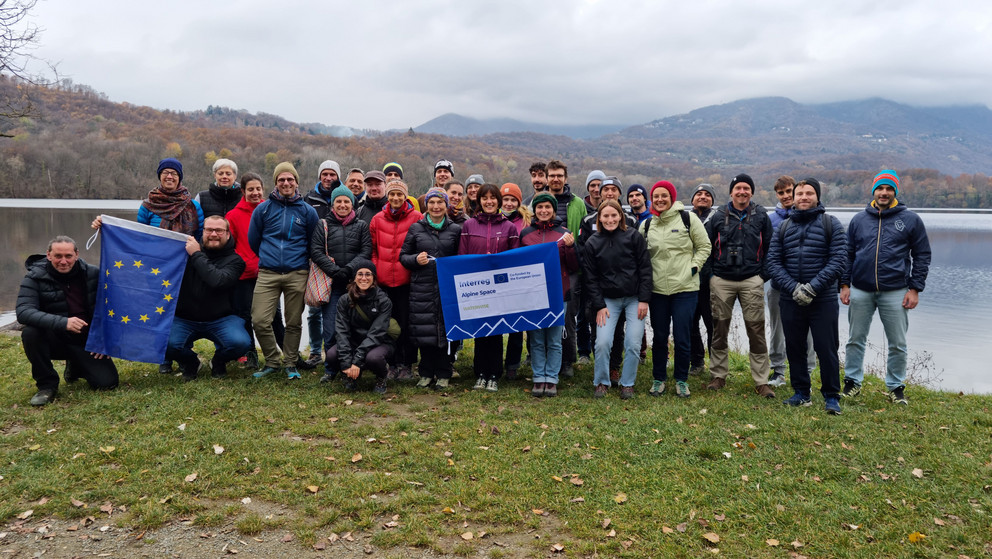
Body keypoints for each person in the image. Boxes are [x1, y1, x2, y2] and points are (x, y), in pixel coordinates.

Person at [93, 157, 204, 376]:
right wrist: (104, 225)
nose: (169, 176)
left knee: (180, 311)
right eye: (165, 173)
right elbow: (139, 237)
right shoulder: (147, 205)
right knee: (157, 312)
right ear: (159, 176)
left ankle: (183, 353)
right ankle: (164, 357)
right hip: (155, 270)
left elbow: (198, 236)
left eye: (174, 173)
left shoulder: (193, 206)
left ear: (180, 177)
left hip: (183, 268)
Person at [840, 170, 931, 404]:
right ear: (873, 191)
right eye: (880, 188)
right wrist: (844, 284)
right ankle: (852, 383)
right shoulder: (859, 220)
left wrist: (915, 288)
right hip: (860, 289)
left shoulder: (910, 220)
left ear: (895, 192)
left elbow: (922, 255)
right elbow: (847, 254)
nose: (884, 192)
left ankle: (895, 387)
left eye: (889, 189)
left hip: (896, 290)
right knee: (855, 339)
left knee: (898, 343)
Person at [766, 178, 848, 414]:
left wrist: (812, 288)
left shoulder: (831, 224)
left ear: (817, 197)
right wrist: (793, 288)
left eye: (808, 193)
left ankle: (832, 396)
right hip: (790, 298)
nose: (803, 197)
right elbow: (773, 262)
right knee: (794, 346)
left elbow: (838, 260)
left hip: (822, 299)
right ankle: (802, 392)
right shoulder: (783, 227)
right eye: (799, 193)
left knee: (826, 348)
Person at [16, 236, 119, 406]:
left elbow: (112, 308)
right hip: (54, 339)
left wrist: (104, 339)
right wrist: (64, 322)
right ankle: (46, 386)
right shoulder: (34, 277)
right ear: (49, 255)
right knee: (30, 332)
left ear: (76, 255)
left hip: (86, 340)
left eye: (68, 256)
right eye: (58, 256)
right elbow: (23, 312)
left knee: (107, 384)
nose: (63, 261)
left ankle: (75, 366)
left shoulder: (93, 273)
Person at [705, 173, 776, 398]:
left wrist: (762, 276)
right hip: (721, 280)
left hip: (751, 280)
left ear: (751, 192)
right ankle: (718, 375)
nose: (742, 192)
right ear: (731, 192)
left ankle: (761, 380)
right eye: (738, 188)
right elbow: (705, 248)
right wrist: (711, 276)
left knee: (756, 331)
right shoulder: (717, 216)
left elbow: (771, 248)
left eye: (746, 188)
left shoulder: (761, 216)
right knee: (719, 329)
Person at [247, 162, 319, 379]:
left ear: (296, 183)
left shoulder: (307, 211)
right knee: (259, 320)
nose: (286, 183)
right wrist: (269, 257)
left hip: (297, 272)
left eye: (290, 179)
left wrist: (298, 260)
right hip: (268, 272)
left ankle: (290, 363)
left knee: (294, 321)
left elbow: (312, 241)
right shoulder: (263, 208)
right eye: (281, 180)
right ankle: (272, 361)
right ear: (276, 183)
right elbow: (254, 240)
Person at [640, 181, 711, 398]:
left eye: (665, 196)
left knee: (682, 336)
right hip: (658, 290)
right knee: (660, 336)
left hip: (685, 288)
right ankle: (659, 378)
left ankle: (681, 379)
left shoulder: (688, 219)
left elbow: (704, 246)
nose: (660, 200)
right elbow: (640, 256)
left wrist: (694, 266)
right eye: (656, 196)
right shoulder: (647, 225)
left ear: (672, 197)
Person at [167, 215, 251, 381]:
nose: (213, 234)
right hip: (185, 319)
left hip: (221, 319)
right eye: (209, 230)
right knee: (162, 342)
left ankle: (218, 361)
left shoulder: (236, 261)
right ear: (202, 232)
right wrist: (103, 225)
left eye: (219, 230)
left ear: (228, 234)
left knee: (241, 343)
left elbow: (217, 281)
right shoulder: (183, 254)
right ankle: (191, 362)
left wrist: (196, 255)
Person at [582, 200, 651, 399]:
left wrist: (644, 299)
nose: (610, 219)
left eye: (614, 215)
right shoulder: (592, 242)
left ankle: (627, 383)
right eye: (606, 216)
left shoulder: (633, 236)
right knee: (602, 342)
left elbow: (645, 269)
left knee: (633, 343)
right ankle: (601, 381)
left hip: (634, 299)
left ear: (620, 216)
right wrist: (599, 305)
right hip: (607, 301)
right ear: (599, 219)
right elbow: (590, 278)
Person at [458, 183, 520, 392]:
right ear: (480, 201)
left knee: (496, 331)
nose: (489, 201)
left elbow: (514, 260)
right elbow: (462, 256)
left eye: (493, 198)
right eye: (485, 198)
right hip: (477, 287)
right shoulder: (469, 226)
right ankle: (480, 373)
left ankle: (494, 373)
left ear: (499, 202)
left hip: (499, 288)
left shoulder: (509, 227)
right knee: (480, 331)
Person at [400, 188, 462, 390]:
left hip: (447, 288)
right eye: (432, 202)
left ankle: (444, 372)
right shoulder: (416, 228)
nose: (436, 207)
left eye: (440, 203)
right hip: (422, 287)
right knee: (425, 331)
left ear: (446, 205)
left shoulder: (455, 229)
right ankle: (426, 372)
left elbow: (461, 257)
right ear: (427, 205)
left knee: (445, 332)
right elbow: (403, 257)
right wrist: (416, 260)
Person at [310, 184, 373, 382]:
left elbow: (365, 251)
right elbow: (316, 251)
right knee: (330, 329)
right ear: (333, 204)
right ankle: (331, 369)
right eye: (339, 201)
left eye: (347, 201)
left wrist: (349, 270)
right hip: (333, 285)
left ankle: (354, 366)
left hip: (356, 284)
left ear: (352, 204)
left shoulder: (361, 226)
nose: (343, 205)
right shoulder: (323, 225)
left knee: (354, 328)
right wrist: (335, 271)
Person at [578, 176, 636, 384]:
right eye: (606, 189)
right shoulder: (588, 221)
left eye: (614, 189)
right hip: (595, 284)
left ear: (619, 193)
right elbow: (583, 251)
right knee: (598, 327)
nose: (609, 193)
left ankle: (614, 367)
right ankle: (599, 365)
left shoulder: (630, 221)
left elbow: (635, 255)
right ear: (599, 193)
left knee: (618, 330)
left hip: (622, 287)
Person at [519, 193, 579, 397]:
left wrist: (571, 248)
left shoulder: (564, 233)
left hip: (557, 293)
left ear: (553, 210)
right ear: (534, 210)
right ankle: (538, 376)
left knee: (554, 338)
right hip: (533, 294)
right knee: (536, 338)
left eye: (547, 207)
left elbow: (573, 266)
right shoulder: (525, 234)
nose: (543, 210)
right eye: (539, 207)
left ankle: (552, 377)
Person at [226, 172, 287, 369]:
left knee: (275, 316)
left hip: (268, 272)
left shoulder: (271, 209)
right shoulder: (233, 216)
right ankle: (250, 353)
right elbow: (229, 246)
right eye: (250, 189)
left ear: (263, 189)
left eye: (258, 189)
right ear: (243, 191)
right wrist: (242, 263)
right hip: (244, 275)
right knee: (246, 315)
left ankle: (289, 353)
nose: (255, 192)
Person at [369, 179, 422, 380]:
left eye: (400, 194)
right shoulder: (377, 219)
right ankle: (391, 364)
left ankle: (407, 364)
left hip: (406, 281)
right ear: (387, 196)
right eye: (392, 194)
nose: (396, 198)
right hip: (383, 282)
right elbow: (373, 250)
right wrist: (376, 269)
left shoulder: (416, 217)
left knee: (407, 324)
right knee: (387, 325)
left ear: (406, 196)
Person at [766, 176, 816, 387]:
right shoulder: (771, 220)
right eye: (781, 193)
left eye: (789, 191)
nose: (786, 196)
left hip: (809, 286)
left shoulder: (814, 216)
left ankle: (807, 371)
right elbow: (767, 253)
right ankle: (778, 370)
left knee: (809, 332)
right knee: (777, 329)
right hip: (779, 285)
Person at [324, 260, 395, 394]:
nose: (364, 278)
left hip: (379, 342)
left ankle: (381, 377)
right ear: (354, 278)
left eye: (368, 274)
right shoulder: (344, 300)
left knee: (373, 358)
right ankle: (351, 375)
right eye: (360, 274)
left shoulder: (383, 301)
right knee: (332, 355)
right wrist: (346, 363)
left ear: (374, 278)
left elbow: (377, 333)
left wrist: (356, 360)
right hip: (354, 341)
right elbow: (341, 331)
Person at [545, 160, 587, 379]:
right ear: (546, 178)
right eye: (552, 175)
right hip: (545, 269)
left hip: (570, 268)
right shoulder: (539, 202)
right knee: (545, 315)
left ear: (565, 178)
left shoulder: (577, 203)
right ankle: (543, 358)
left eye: (559, 175)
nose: (556, 179)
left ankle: (568, 360)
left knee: (568, 317)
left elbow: (583, 235)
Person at [301, 160, 345, 369]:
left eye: (332, 174)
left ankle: (335, 352)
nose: (328, 178)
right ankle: (315, 351)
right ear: (320, 176)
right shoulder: (309, 198)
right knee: (314, 309)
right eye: (325, 174)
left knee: (337, 309)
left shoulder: (345, 196)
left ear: (338, 176)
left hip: (340, 261)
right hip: (316, 259)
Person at [500, 182, 532, 379]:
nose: (509, 203)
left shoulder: (526, 222)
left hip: (519, 279)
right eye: (506, 200)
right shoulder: (495, 220)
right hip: (498, 277)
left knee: (517, 325)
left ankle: (512, 363)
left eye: (513, 200)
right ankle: (493, 362)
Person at [688, 183, 717, 376]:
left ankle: (717, 365)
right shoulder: (684, 218)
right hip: (688, 281)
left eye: (707, 194)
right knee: (690, 323)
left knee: (713, 325)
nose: (703, 197)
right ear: (692, 199)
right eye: (699, 194)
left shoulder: (719, 218)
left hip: (711, 281)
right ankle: (697, 362)